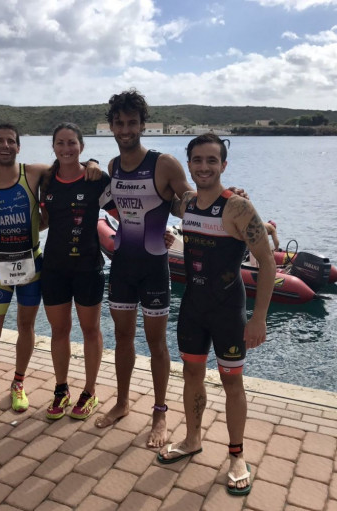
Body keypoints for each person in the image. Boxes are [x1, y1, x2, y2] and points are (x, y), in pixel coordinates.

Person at [157, 134, 275, 497]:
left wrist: (258, 319)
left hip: (228, 310)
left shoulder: (237, 208)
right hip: (193, 308)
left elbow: (268, 262)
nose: (204, 167)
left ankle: (237, 455)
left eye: (212, 160)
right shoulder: (188, 203)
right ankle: (193, 439)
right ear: (189, 164)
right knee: (191, 373)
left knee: (231, 383)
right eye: (197, 160)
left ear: (223, 165)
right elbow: (160, 199)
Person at [0, 123, 101, 422]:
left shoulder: (35, 172)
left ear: (19, 146)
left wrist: (93, 163)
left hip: (34, 262)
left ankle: (18, 383)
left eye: (11, 141)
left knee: (26, 326)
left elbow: (69, 166)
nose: (5, 145)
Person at [94, 89, 194, 448]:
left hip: (154, 268)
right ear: (111, 126)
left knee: (156, 344)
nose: (125, 129)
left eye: (131, 122)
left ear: (142, 124)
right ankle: (121, 403)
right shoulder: (113, 167)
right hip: (121, 265)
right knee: (122, 339)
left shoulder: (164, 163)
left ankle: (160, 412)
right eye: (119, 123)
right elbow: (121, 211)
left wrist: (223, 200)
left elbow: (186, 202)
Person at [40, 123, 116, 421]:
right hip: (54, 267)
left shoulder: (97, 178)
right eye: (60, 143)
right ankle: (61, 389)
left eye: (72, 143)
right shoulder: (47, 180)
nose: (66, 148)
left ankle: (89, 391)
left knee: (90, 330)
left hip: (88, 267)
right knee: (59, 331)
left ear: (81, 146)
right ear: (54, 146)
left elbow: (124, 213)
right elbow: (46, 220)